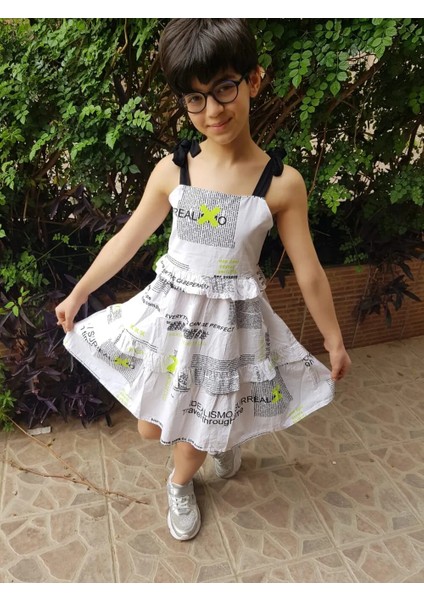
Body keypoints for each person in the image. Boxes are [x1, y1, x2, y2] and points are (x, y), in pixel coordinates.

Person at [55, 18, 351, 541]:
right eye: (195, 98)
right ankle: (219, 437)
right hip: (170, 321)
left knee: (190, 426)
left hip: (227, 331)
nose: (212, 110)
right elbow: (126, 239)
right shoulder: (174, 171)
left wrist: (333, 339)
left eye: (224, 88)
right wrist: (79, 293)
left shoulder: (280, 184)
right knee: (151, 426)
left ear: (253, 80)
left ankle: (180, 481)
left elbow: (308, 270)